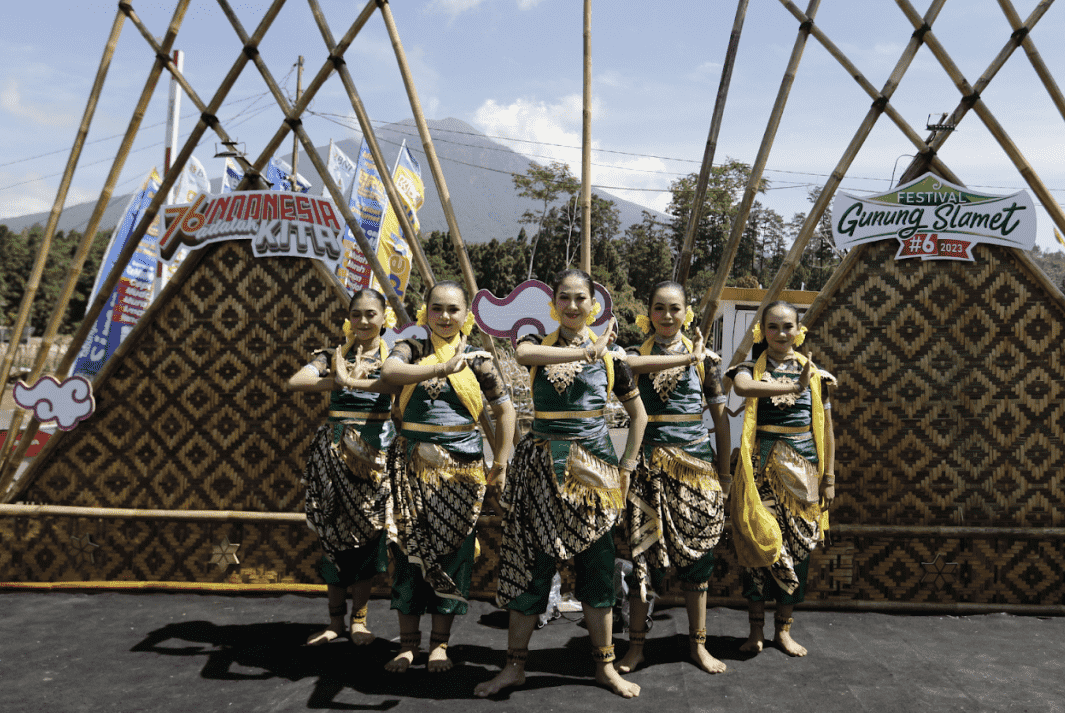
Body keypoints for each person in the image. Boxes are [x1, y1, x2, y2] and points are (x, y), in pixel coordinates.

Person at [474, 269, 647, 699]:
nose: (572, 306)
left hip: (597, 472)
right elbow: (525, 357)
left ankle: (605, 667)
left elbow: (639, 416)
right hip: (541, 470)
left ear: (593, 304)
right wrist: (588, 352)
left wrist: (626, 467)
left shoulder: (613, 357)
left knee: (598, 570)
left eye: (580, 299)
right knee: (533, 570)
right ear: (554, 304)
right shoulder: (535, 344)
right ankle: (514, 666)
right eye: (564, 298)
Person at [380, 280, 516, 673]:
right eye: (436, 309)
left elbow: (505, 411)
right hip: (411, 472)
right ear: (425, 312)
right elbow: (390, 371)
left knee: (453, 554)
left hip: (463, 474)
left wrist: (502, 461)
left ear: (466, 315)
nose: (444, 316)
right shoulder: (413, 348)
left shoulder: (479, 360)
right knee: (408, 555)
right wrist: (439, 368)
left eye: (453, 309)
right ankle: (407, 645)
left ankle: (439, 644)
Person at [615, 280, 732, 675]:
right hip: (647, 470)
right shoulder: (634, 355)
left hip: (696, 470)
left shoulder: (707, 361)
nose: (667, 316)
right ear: (648, 312)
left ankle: (698, 646)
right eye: (659, 308)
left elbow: (720, 421)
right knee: (642, 560)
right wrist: (686, 358)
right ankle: (635, 647)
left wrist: (725, 473)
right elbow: (626, 368)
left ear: (687, 313)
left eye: (675, 308)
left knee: (699, 560)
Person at [287, 288, 400, 647]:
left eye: (371, 314)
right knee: (332, 539)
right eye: (357, 314)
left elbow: (392, 385)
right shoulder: (331, 354)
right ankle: (334, 621)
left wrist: (351, 380)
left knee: (368, 539)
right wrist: (335, 378)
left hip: (376, 457)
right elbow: (297, 381)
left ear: (385, 319)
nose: (363, 321)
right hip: (333, 457)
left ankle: (360, 620)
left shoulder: (394, 358)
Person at [726, 300, 836, 657]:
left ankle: (783, 630)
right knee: (758, 546)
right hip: (760, 473)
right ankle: (756, 630)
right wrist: (795, 387)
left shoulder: (816, 374)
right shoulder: (749, 368)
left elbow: (828, 431)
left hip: (803, 476)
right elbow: (742, 388)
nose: (780, 334)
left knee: (798, 550)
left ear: (798, 330)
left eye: (787, 326)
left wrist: (829, 478)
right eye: (772, 327)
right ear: (762, 331)